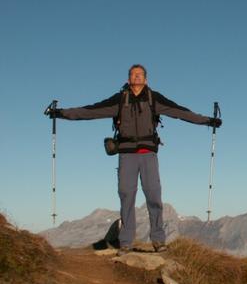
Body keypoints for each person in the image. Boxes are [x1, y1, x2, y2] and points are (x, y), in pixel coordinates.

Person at [45, 64, 222, 255]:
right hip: (126, 154)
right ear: (128, 79)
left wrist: (207, 120)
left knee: (154, 196)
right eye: (133, 74)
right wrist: (61, 113)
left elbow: (180, 112)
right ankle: (126, 243)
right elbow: (91, 111)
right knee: (126, 195)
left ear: (146, 79)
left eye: (140, 74)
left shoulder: (154, 98)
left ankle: (158, 241)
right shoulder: (120, 99)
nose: (136, 77)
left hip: (148, 154)